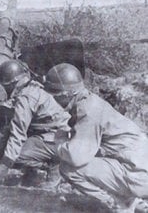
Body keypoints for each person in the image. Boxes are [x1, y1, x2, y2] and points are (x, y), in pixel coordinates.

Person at [45, 63, 148, 212]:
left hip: (139, 174)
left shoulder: (88, 110)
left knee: (69, 168)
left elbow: (76, 157)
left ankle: (117, 206)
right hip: (139, 166)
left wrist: (59, 140)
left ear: (66, 94)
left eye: (55, 96)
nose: (53, 100)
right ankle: (131, 201)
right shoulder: (90, 101)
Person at [0, 60, 71, 185]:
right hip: (61, 134)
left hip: (57, 139)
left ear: (12, 82)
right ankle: (32, 172)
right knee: (14, 143)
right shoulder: (33, 86)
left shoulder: (25, 97)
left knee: (12, 155)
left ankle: (55, 166)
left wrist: (5, 164)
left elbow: (18, 133)